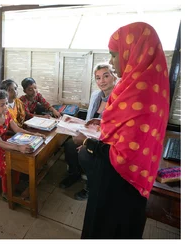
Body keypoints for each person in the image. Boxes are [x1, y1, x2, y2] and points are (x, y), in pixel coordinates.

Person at [73, 22, 169, 238]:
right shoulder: (146, 85)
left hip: (119, 184)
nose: (112, 62)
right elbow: (126, 130)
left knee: (107, 228)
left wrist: (88, 143)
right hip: (129, 180)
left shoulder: (139, 94)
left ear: (133, 52)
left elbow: (124, 155)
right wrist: (101, 125)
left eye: (114, 55)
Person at [59, 63, 117, 201]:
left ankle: (91, 187)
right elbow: (89, 120)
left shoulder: (119, 99)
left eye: (106, 76)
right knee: (69, 145)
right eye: (98, 78)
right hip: (91, 133)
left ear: (114, 76)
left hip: (105, 140)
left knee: (86, 154)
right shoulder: (95, 95)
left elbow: (113, 128)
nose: (101, 81)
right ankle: (74, 174)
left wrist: (88, 142)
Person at [0, 89, 45, 200]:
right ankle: (6, 192)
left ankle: (14, 183)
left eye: (6, 103)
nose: (6, 107)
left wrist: (34, 134)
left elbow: (17, 129)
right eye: (2, 105)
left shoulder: (6, 113)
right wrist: (18, 147)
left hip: (3, 141)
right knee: (8, 161)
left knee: (17, 157)